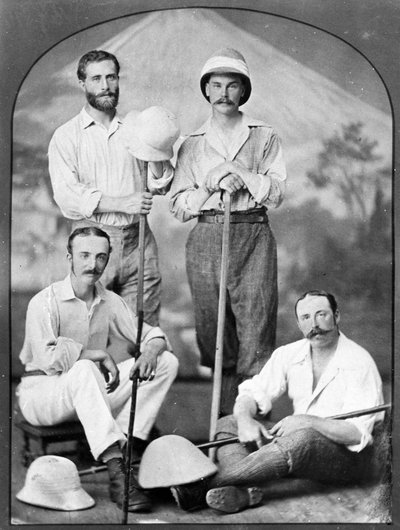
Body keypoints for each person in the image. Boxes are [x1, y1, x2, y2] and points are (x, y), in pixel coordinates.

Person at [150, 290, 386, 513]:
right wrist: (244, 420)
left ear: (336, 316)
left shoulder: (358, 361)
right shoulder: (289, 353)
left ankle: (197, 488)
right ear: (299, 323)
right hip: (298, 448)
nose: (313, 324)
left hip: (352, 460)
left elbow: (357, 435)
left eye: (321, 315)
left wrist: (307, 421)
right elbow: (252, 393)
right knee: (229, 423)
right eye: (305, 317)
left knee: (302, 439)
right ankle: (246, 492)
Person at [16, 226, 179, 513]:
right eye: (85, 255)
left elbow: (152, 334)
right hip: (42, 395)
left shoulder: (110, 301)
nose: (93, 264)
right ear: (69, 257)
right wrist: (96, 354)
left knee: (167, 362)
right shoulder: (45, 301)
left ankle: (130, 448)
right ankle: (118, 475)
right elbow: (47, 358)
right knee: (84, 368)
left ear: (108, 260)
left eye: (101, 257)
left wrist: (152, 349)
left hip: (88, 392)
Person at [169, 48, 287, 414]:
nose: (223, 93)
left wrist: (242, 174)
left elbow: (278, 192)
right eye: (216, 85)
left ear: (243, 91)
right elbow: (178, 207)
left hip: (252, 235)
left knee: (256, 325)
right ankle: (223, 418)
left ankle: (249, 417)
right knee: (214, 330)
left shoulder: (263, 136)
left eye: (232, 85)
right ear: (206, 90)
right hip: (206, 236)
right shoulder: (190, 143)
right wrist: (208, 185)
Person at [48, 50, 174, 326]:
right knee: (87, 326)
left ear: (118, 80)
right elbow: (67, 196)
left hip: (139, 239)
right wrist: (121, 202)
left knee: (141, 328)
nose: (105, 85)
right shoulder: (67, 136)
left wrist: (157, 148)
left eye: (111, 77)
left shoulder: (137, 128)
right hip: (91, 238)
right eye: (96, 78)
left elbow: (160, 185)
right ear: (82, 84)